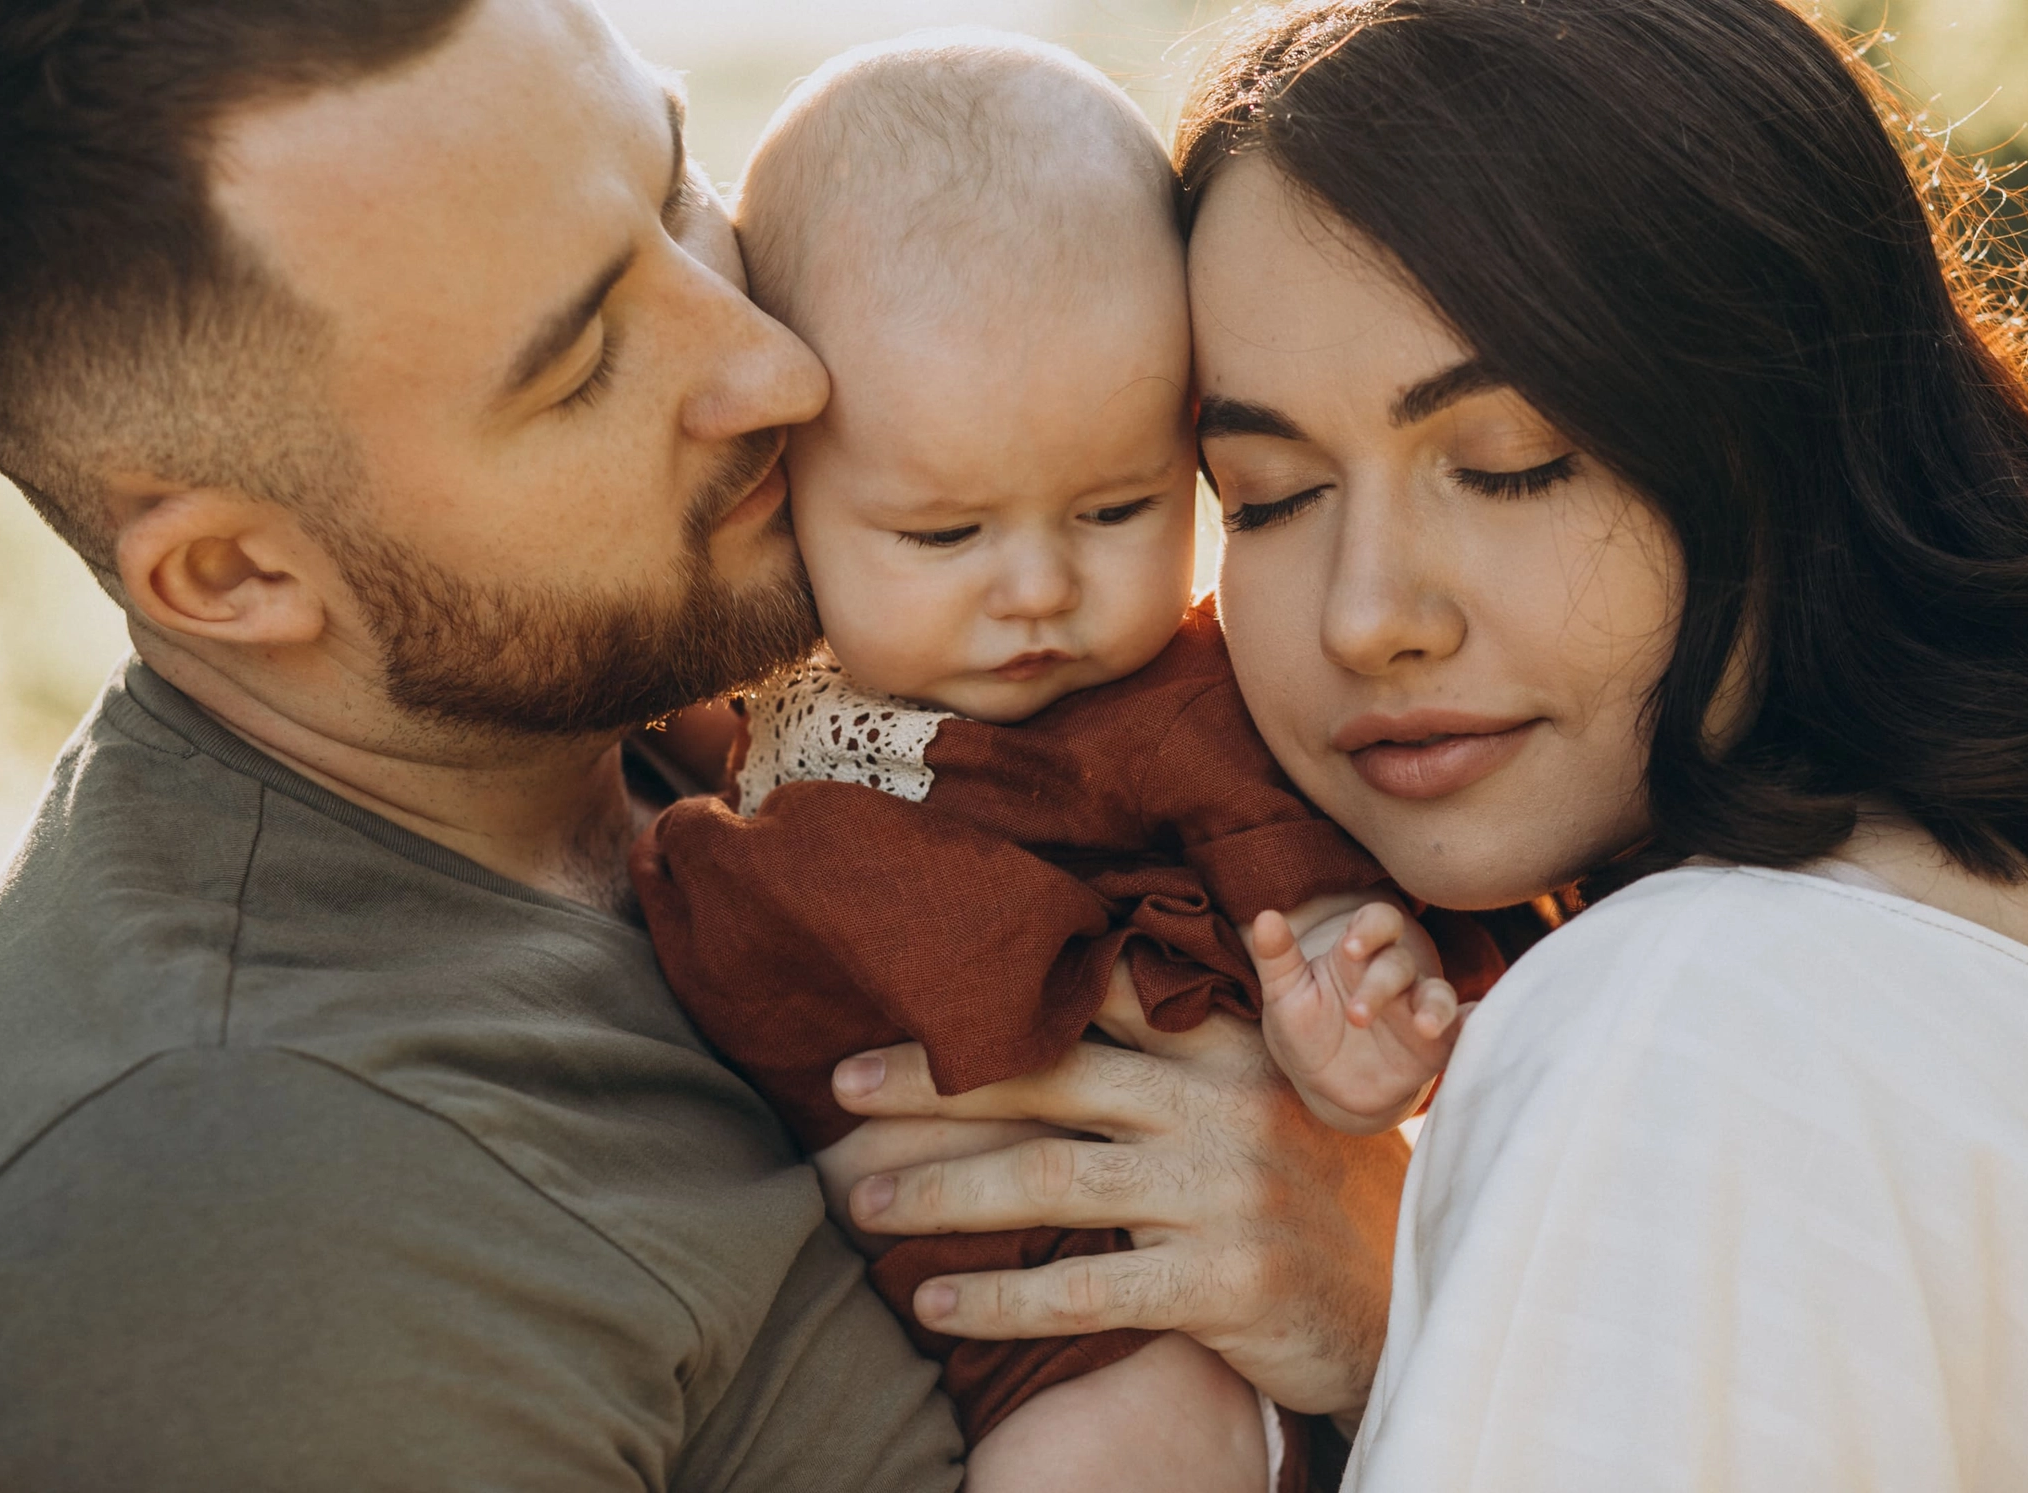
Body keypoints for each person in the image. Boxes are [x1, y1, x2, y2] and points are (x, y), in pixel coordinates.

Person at [0, 1, 1411, 1485]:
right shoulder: (235, 1233)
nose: (779, 369)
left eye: (676, 186)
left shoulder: (695, 718)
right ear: (239, 576)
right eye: (581, 364)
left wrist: (1369, 1291)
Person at [1162, 0, 2028, 1485]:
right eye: (1266, 495)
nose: (1369, 617)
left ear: (1789, 428)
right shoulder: (2008, 944)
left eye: (1512, 465)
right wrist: (1423, 1340)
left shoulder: (1692, 1018)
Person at [631, 36, 1489, 1491]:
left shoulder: (1179, 708)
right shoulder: (757, 698)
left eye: (1115, 510)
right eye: (945, 533)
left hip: (1127, 1323)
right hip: (906, 1299)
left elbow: (1300, 895)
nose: (1036, 590)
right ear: (786, 491)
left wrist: (1352, 1013)